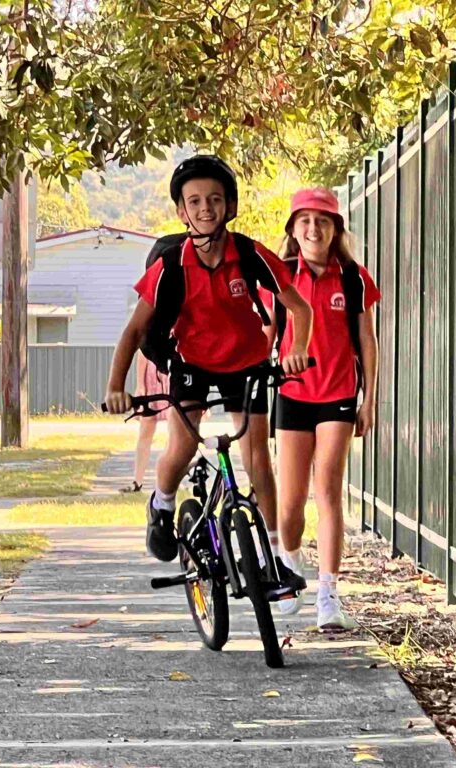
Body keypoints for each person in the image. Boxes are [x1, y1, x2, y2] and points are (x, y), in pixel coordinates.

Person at [105, 155, 313, 591]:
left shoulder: (251, 254)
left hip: (249, 362)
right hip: (193, 363)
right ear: (181, 211)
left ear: (230, 207)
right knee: (181, 448)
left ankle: (275, 559)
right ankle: (161, 505)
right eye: (194, 201)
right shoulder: (172, 266)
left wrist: (295, 349)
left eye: (215, 200)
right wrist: (115, 387)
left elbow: (300, 307)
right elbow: (134, 330)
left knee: (259, 460)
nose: (205, 208)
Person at [271, 187, 380, 630]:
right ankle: (289, 564)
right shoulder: (279, 276)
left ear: (335, 230)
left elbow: (366, 342)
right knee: (291, 501)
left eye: (323, 221)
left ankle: (329, 595)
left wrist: (369, 400)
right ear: (294, 230)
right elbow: (269, 333)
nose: (314, 228)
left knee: (328, 492)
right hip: (292, 396)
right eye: (305, 221)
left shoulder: (353, 277)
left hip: (337, 396)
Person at [121, 353, 167, 494]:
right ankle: (137, 481)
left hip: (174, 375)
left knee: (176, 433)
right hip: (152, 378)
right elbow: (143, 352)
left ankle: (167, 480)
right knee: (146, 431)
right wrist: (141, 386)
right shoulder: (151, 331)